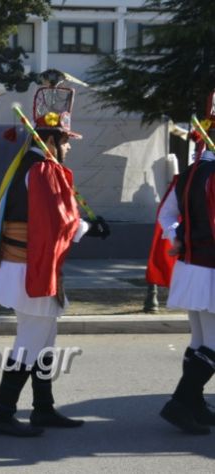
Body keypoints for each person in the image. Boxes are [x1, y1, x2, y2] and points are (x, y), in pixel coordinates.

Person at [0, 79, 110, 437]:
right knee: (32, 341)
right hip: (29, 268)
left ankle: (43, 409)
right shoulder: (42, 169)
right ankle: (2, 415)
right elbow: (57, 222)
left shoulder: (31, 166)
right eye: (65, 140)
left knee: (44, 340)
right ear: (49, 141)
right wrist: (88, 229)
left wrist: (80, 225)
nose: (68, 147)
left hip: (26, 264)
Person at [156, 89, 215, 435]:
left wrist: (175, 236)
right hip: (209, 270)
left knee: (199, 341)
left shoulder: (190, 173)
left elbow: (166, 214)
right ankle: (180, 403)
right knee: (212, 344)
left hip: (191, 269)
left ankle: (193, 404)